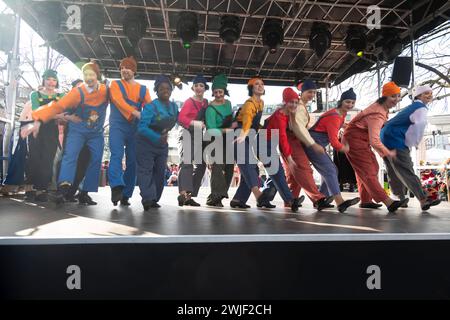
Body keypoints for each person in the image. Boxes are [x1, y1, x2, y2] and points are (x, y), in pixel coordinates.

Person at [29, 62, 108, 205]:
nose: (89, 78)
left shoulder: (106, 91)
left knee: (93, 160)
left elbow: (118, 101)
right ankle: (63, 189)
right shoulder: (76, 93)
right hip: (76, 131)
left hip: (95, 133)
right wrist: (40, 114)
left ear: (97, 76)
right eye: (86, 75)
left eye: (92, 74)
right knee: (69, 157)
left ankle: (84, 192)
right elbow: (59, 107)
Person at [343, 81, 408, 212]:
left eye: (398, 96)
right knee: (368, 171)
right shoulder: (377, 114)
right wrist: (387, 152)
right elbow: (374, 140)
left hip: (359, 140)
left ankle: (366, 200)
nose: (396, 99)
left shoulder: (381, 108)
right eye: (393, 96)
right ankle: (388, 202)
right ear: (385, 96)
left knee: (373, 167)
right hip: (354, 140)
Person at [380, 85, 441, 211]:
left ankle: (400, 199)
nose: (429, 95)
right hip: (395, 138)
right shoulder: (420, 107)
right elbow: (419, 125)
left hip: (385, 136)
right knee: (405, 168)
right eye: (425, 93)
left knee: (393, 169)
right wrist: (415, 142)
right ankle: (423, 199)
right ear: (418, 96)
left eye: (430, 93)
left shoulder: (411, 107)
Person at [305, 88, 360, 213]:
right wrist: (345, 148)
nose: (350, 105)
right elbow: (334, 142)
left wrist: (344, 125)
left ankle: (322, 199)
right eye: (347, 102)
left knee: (332, 170)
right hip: (313, 144)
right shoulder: (334, 116)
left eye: (352, 102)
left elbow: (335, 124)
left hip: (318, 143)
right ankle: (339, 202)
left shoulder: (341, 114)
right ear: (341, 101)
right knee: (330, 170)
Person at [281, 79, 334, 210]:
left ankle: (290, 200)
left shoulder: (301, 106)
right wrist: (312, 144)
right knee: (303, 168)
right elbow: (297, 126)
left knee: (294, 173)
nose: (312, 95)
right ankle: (318, 199)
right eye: (309, 92)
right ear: (302, 92)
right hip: (291, 140)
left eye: (314, 92)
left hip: (289, 140)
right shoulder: (298, 106)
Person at [109, 56, 152, 206]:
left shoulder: (143, 89)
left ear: (134, 70)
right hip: (117, 126)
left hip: (135, 129)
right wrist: (135, 112)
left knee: (133, 160)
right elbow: (118, 101)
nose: (124, 70)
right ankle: (116, 187)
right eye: (121, 68)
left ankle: (126, 194)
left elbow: (150, 108)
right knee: (116, 154)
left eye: (127, 67)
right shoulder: (114, 84)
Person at [230, 77, 274, 209]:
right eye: (256, 84)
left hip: (247, 135)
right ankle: (259, 196)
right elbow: (248, 120)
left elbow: (254, 123)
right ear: (251, 88)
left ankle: (238, 200)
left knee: (251, 168)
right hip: (240, 134)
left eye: (262, 84)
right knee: (248, 166)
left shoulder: (261, 103)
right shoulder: (249, 103)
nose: (260, 86)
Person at [262, 87, 309, 212]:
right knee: (278, 173)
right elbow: (282, 138)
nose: (293, 104)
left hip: (269, 145)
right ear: (285, 102)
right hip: (263, 144)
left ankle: (263, 199)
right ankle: (290, 200)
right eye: (291, 102)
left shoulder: (287, 114)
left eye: (295, 102)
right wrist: (289, 158)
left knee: (275, 175)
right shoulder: (280, 116)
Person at [136, 75, 178, 210]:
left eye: (168, 88)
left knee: (160, 173)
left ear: (171, 90)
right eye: (161, 88)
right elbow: (142, 127)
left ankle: (154, 198)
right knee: (146, 171)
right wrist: (156, 137)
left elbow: (175, 121)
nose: (165, 90)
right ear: (157, 90)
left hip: (162, 144)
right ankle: (147, 198)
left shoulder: (174, 107)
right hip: (145, 143)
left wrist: (165, 133)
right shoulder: (150, 107)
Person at [25, 69, 65, 201]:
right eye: (48, 79)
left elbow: (64, 114)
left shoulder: (61, 95)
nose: (51, 82)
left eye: (53, 80)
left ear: (57, 81)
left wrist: (55, 115)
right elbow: (36, 111)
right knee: (34, 157)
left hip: (51, 131)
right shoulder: (35, 94)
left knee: (47, 159)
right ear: (44, 80)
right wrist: (56, 114)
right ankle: (29, 188)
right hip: (36, 128)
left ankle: (41, 189)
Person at [177, 74, 209, 207]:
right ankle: (183, 194)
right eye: (196, 85)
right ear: (193, 88)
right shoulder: (189, 101)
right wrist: (196, 123)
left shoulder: (206, 102)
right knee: (187, 163)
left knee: (201, 165)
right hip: (186, 132)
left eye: (201, 85)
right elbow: (181, 118)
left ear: (205, 88)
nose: (198, 88)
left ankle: (189, 196)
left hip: (198, 135)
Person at [204, 74, 235, 207]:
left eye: (220, 91)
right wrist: (225, 131)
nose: (218, 94)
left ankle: (218, 196)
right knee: (217, 167)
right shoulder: (210, 109)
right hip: (213, 140)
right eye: (215, 92)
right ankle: (215, 195)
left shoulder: (228, 104)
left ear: (224, 92)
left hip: (227, 140)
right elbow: (210, 128)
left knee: (229, 168)